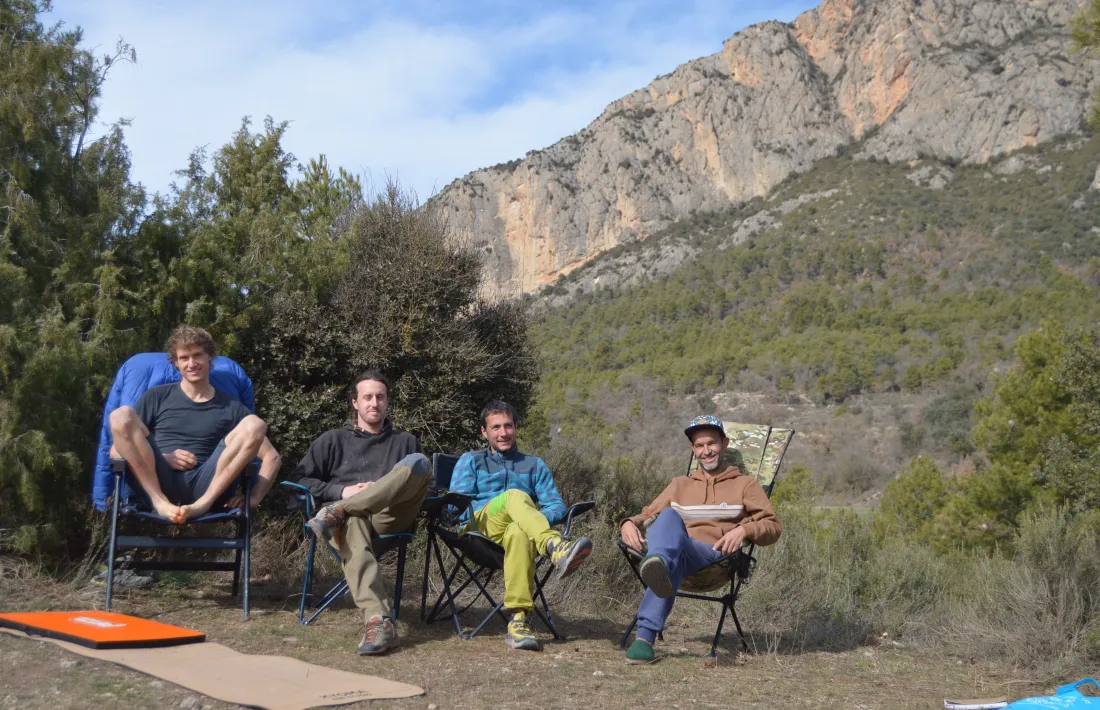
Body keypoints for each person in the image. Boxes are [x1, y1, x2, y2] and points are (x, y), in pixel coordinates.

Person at [619, 415, 782, 664]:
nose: (706, 451)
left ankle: (646, 631)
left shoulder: (745, 484)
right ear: (692, 449)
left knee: (670, 553)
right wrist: (628, 523)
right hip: (679, 555)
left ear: (724, 444)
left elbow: (773, 527)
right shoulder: (679, 484)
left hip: (716, 558)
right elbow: (648, 514)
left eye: (712, 443)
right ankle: (645, 634)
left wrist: (745, 531)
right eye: (699, 446)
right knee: (669, 518)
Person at [296, 370, 430, 656]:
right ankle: (378, 621)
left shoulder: (405, 441)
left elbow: (424, 486)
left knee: (419, 461)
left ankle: (339, 510)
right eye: (367, 397)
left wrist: (360, 498)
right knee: (353, 521)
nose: (374, 403)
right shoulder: (332, 440)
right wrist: (343, 491)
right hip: (346, 525)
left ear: (388, 402)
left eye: (380, 397)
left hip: (388, 517)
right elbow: (300, 482)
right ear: (355, 402)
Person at [449, 400, 593, 651]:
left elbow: (556, 506)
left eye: (508, 426)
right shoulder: (470, 461)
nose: (503, 433)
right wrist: (503, 506)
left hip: (516, 534)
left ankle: (517, 621)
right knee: (514, 496)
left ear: (516, 428)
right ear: (484, 432)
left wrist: (529, 520)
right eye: (495, 427)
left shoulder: (534, 465)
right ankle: (554, 546)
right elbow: (455, 507)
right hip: (478, 529)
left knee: (519, 531)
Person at [109, 325, 281, 523]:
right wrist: (163, 458)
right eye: (184, 358)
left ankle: (202, 505)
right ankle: (160, 502)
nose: (192, 364)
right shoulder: (156, 397)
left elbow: (272, 457)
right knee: (120, 415)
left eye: (197, 355)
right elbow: (116, 451)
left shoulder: (231, 408)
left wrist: (254, 498)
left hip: (207, 485)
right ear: (176, 363)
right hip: (156, 480)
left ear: (210, 357)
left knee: (255, 424)